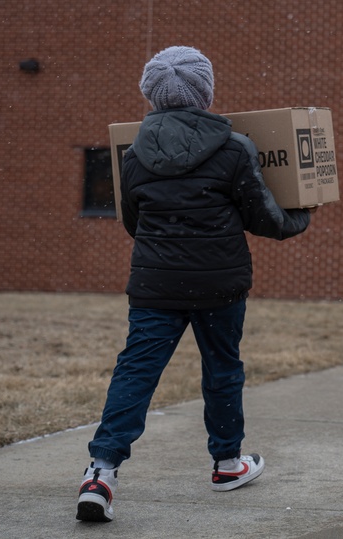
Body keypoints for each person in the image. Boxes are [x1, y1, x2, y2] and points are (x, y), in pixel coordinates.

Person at [76, 46, 313, 523]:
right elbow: (263, 217)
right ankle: (227, 464)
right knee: (222, 369)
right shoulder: (234, 147)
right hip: (219, 284)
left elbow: (133, 222)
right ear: (206, 93)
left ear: (151, 94)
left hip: (154, 284)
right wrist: (300, 214)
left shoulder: (134, 153)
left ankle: (101, 473)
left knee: (136, 372)